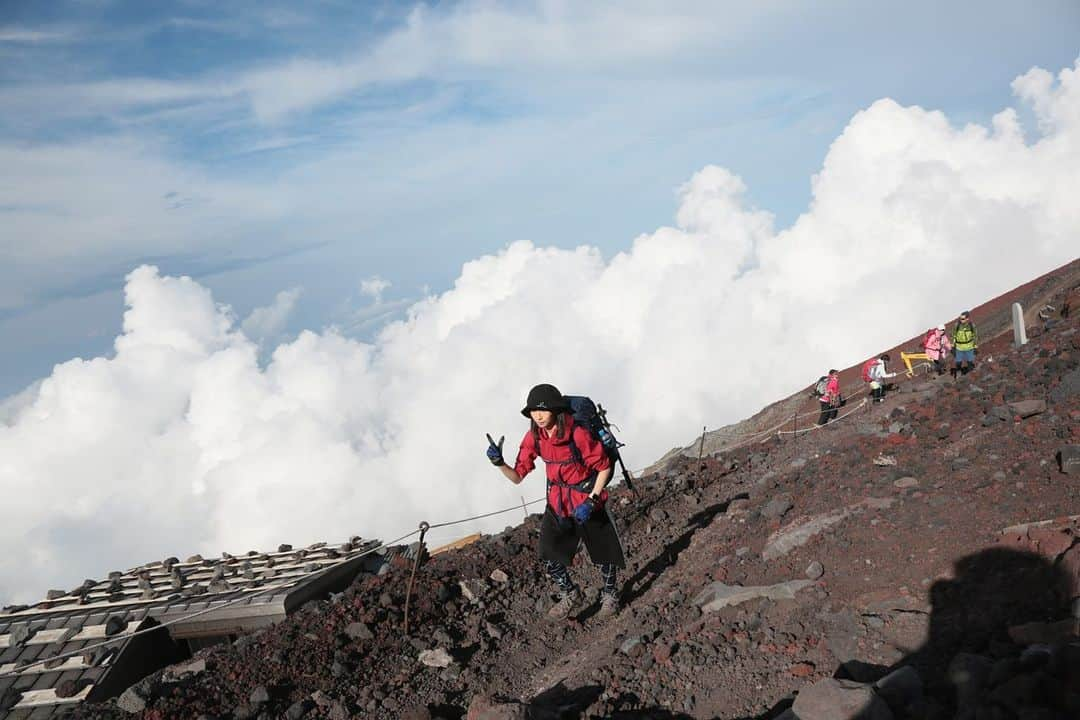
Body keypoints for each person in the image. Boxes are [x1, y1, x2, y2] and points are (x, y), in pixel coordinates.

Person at [486, 384, 625, 620]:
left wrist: (592, 501)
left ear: (557, 410)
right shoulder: (534, 437)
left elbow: (603, 467)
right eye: (533, 411)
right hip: (558, 504)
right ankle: (570, 593)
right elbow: (518, 477)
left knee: (604, 553)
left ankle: (610, 594)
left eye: (544, 410)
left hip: (586, 500)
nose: (538, 416)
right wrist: (499, 463)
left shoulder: (578, 434)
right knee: (549, 554)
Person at [952, 311, 978, 376]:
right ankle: (958, 375)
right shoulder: (957, 325)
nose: (961, 320)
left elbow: (975, 336)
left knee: (970, 363)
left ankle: (970, 376)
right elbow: (953, 335)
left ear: (967, 319)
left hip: (969, 347)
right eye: (960, 318)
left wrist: (975, 346)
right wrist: (953, 346)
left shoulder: (971, 326)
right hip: (959, 347)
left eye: (963, 319)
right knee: (958, 362)